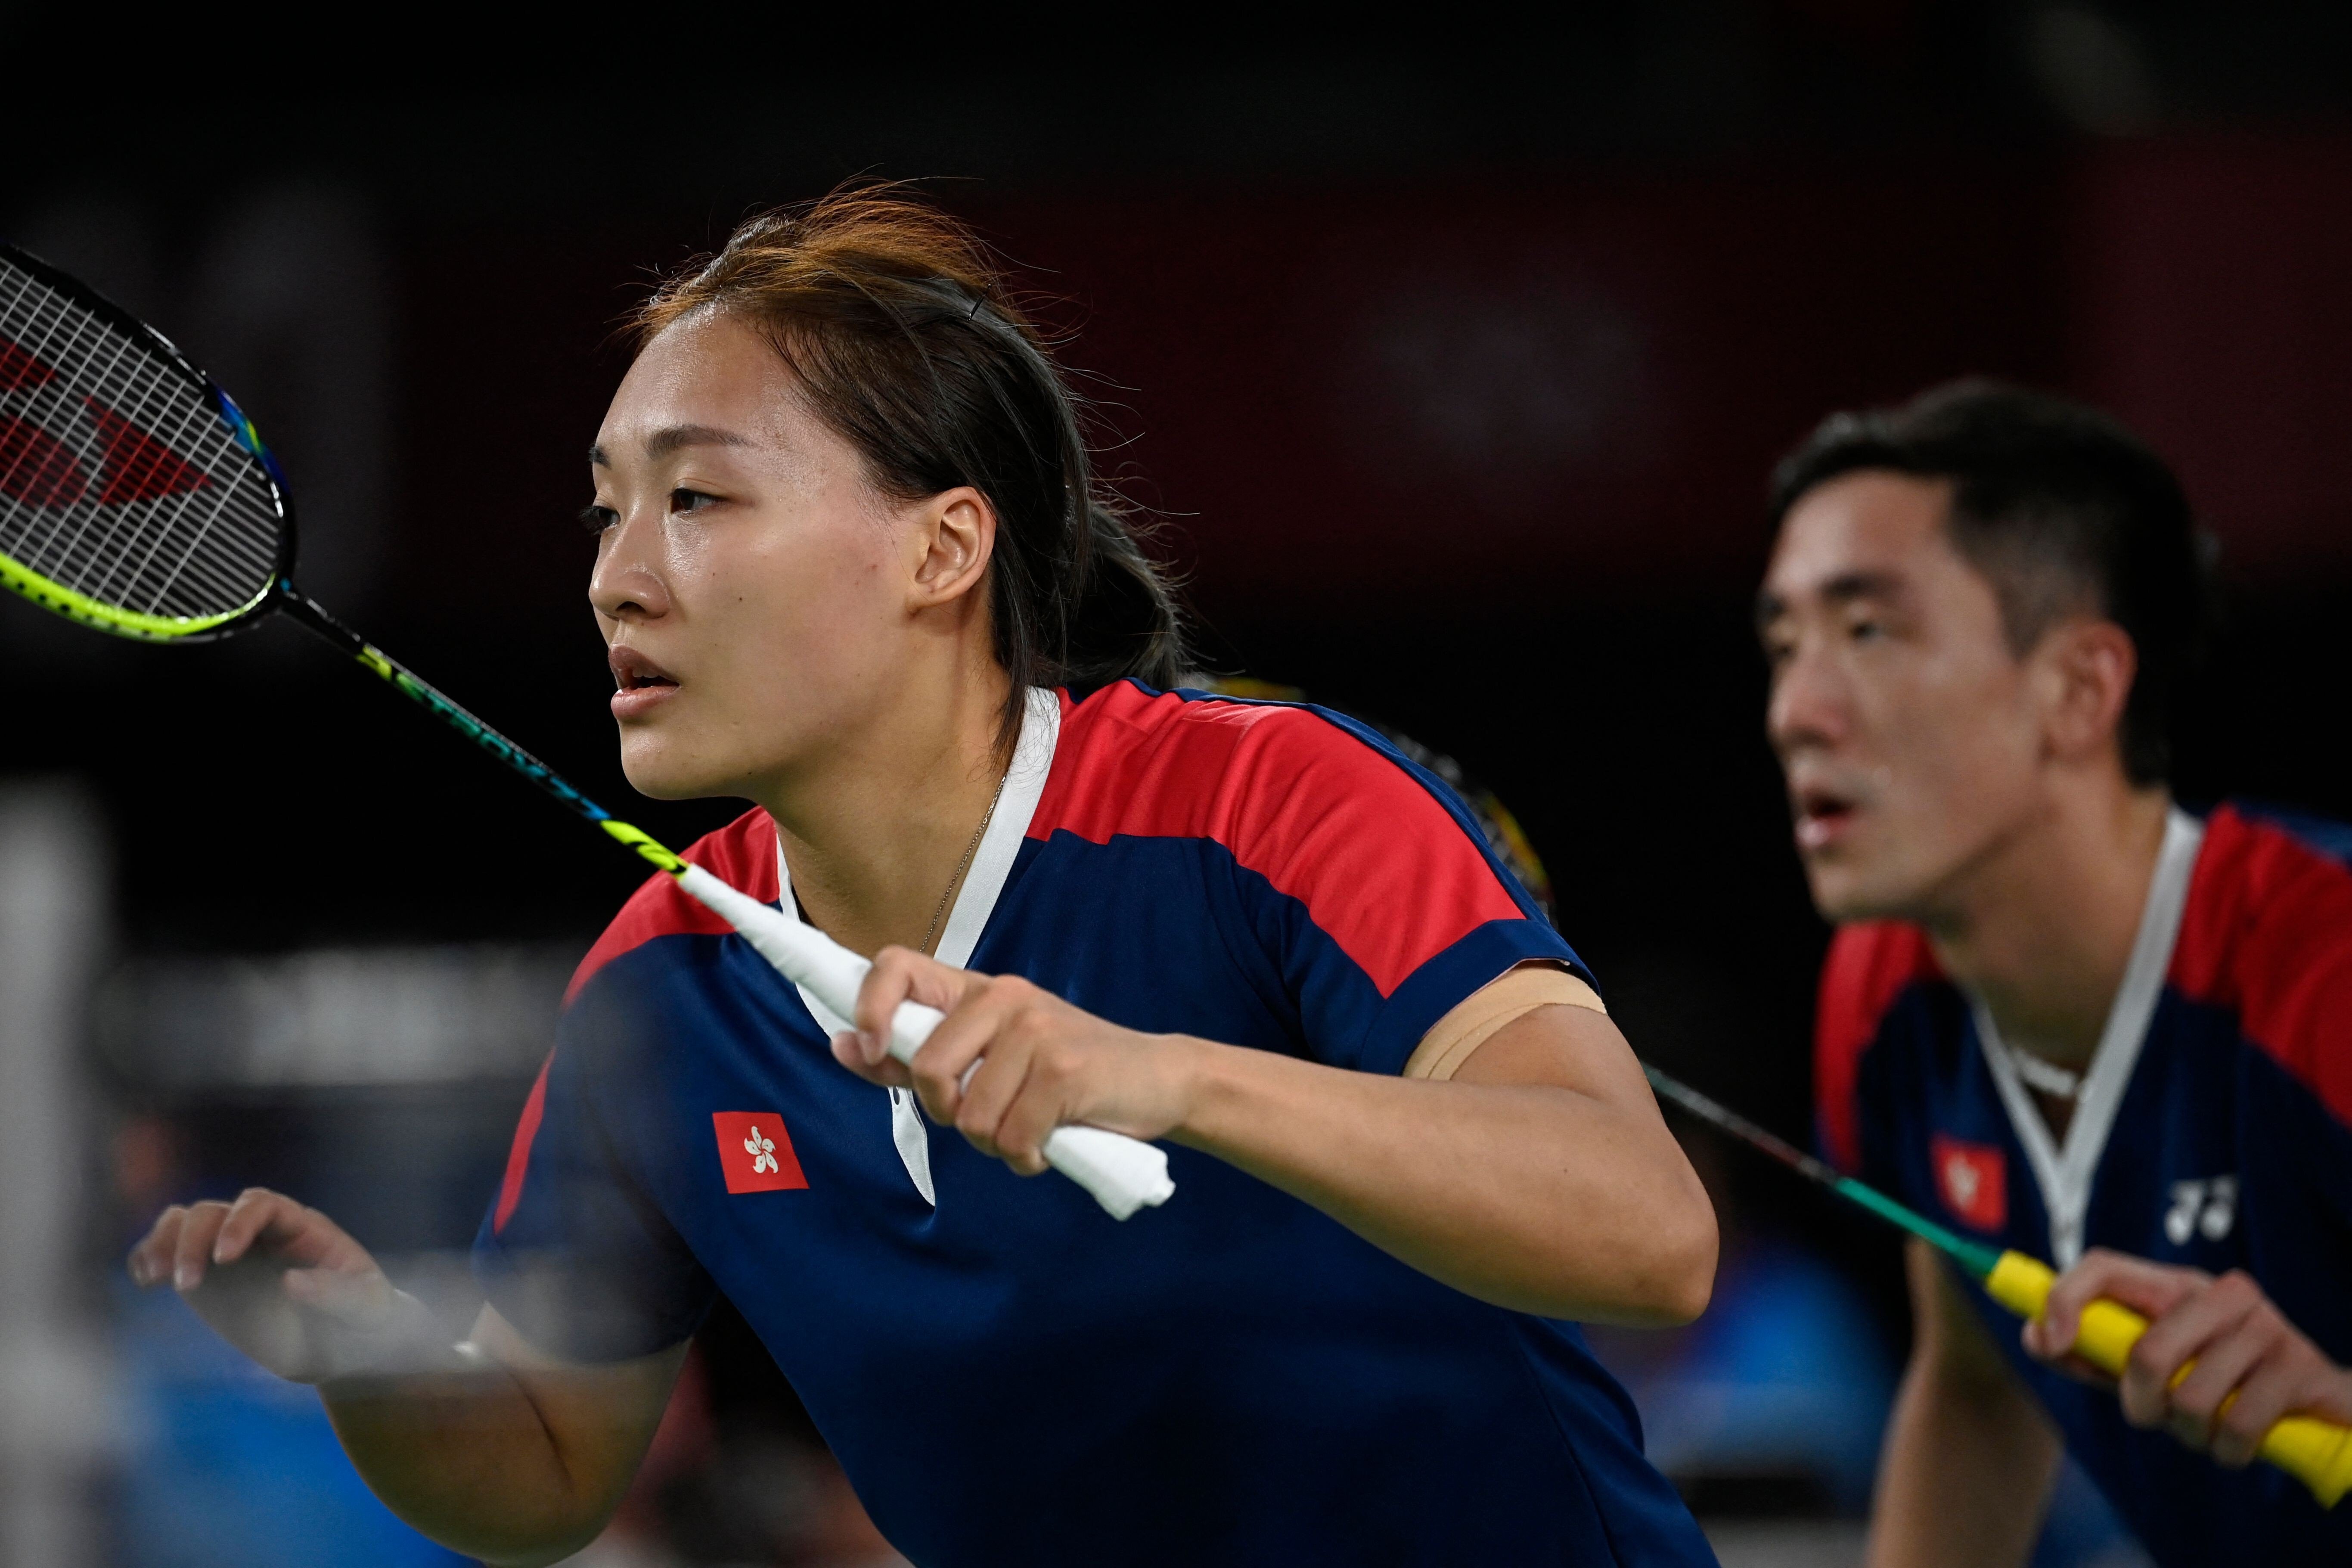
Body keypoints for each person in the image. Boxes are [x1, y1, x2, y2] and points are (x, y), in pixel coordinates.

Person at [127, 191, 1720, 1568]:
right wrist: (364, 1355)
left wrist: (1168, 1078)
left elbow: (1646, 1228)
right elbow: (544, 1468)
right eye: (607, 511)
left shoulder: (1261, 804)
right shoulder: (666, 983)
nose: (617, 574)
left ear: (944, 549)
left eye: (696, 498)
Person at [1758, 380, 2352, 1567]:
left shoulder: (2323, 962)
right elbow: (1977, 1386)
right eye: (1783, 643)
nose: (1795, 712)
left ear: (2081, 689)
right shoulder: (1886, 1000)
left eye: (1868, 630)